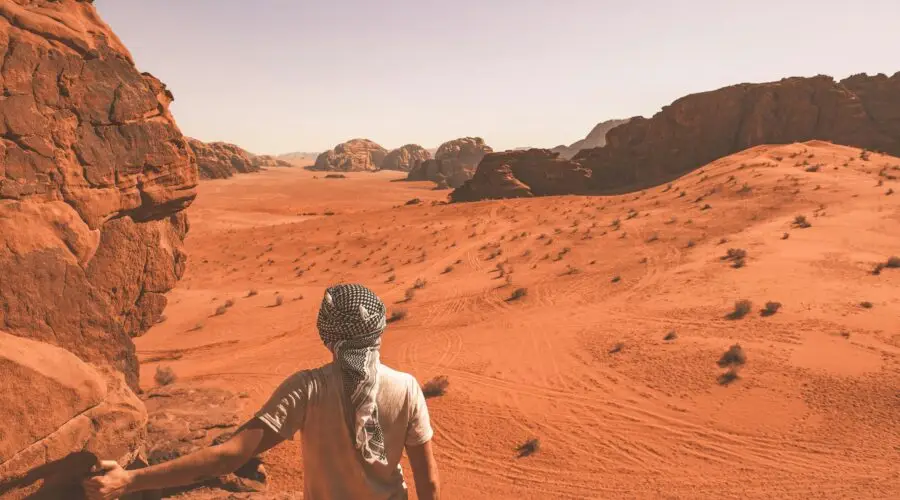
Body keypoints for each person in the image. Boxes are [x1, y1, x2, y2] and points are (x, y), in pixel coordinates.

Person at [83, 284, 440, 500]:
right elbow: (428, 483)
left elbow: (230, 456)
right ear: (379, 328)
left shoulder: (308, 388)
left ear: (326, 333)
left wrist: (128, 480)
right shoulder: (407, 388)